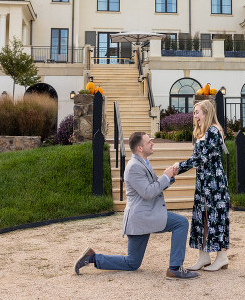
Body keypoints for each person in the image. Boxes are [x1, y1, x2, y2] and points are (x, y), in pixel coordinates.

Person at [74, 131, 199, 280]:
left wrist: (170, 176)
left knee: (132, 263)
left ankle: (93, 258)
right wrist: (165, 177)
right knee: (181, 223)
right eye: (148, 142)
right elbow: (147, 192)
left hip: (141, 217)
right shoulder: (134, 167)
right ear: (140, 148)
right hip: (143, 217)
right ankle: (175, 269)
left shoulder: (142, 163)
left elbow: (153, 187)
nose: (152, 143)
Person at [176, 99, 230, 271]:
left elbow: (203, 158)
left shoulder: (213, 131)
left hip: (214, 183)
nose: (195, 116)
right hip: (203, 182)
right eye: (194, 113)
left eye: (197, 112)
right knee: (203, 217)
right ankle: (204, 256)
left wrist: (180, 167)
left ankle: (222, 257)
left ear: (206, 113)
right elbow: (199, 159)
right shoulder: (203, 132)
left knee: (216, 217)